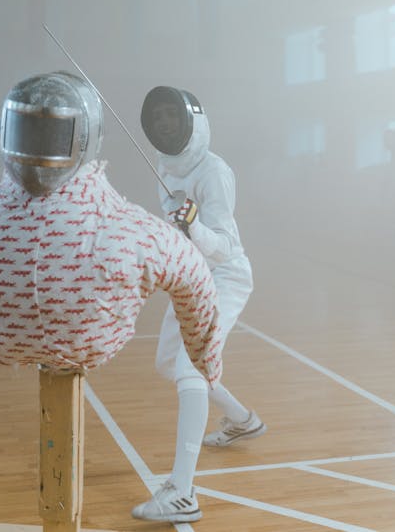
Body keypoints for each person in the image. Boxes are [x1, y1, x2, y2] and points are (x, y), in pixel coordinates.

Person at [0, 72, 222, 386]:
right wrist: (207, 362)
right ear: (91, 138)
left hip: (4, 340)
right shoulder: (134, 234)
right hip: (92, 344)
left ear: (2, 133)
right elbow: (195, 278)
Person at [132, 85, 266, 523]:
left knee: (192, 366)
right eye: (159, 118)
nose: (165, 123)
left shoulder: (214, 172)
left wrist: (192, 225)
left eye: (173, 115)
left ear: (191, 118)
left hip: (225, 276)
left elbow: (226, 246)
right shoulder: (164, 164)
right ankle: (242, 419)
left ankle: (182, 492)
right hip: (192, 275)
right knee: (170, 362)